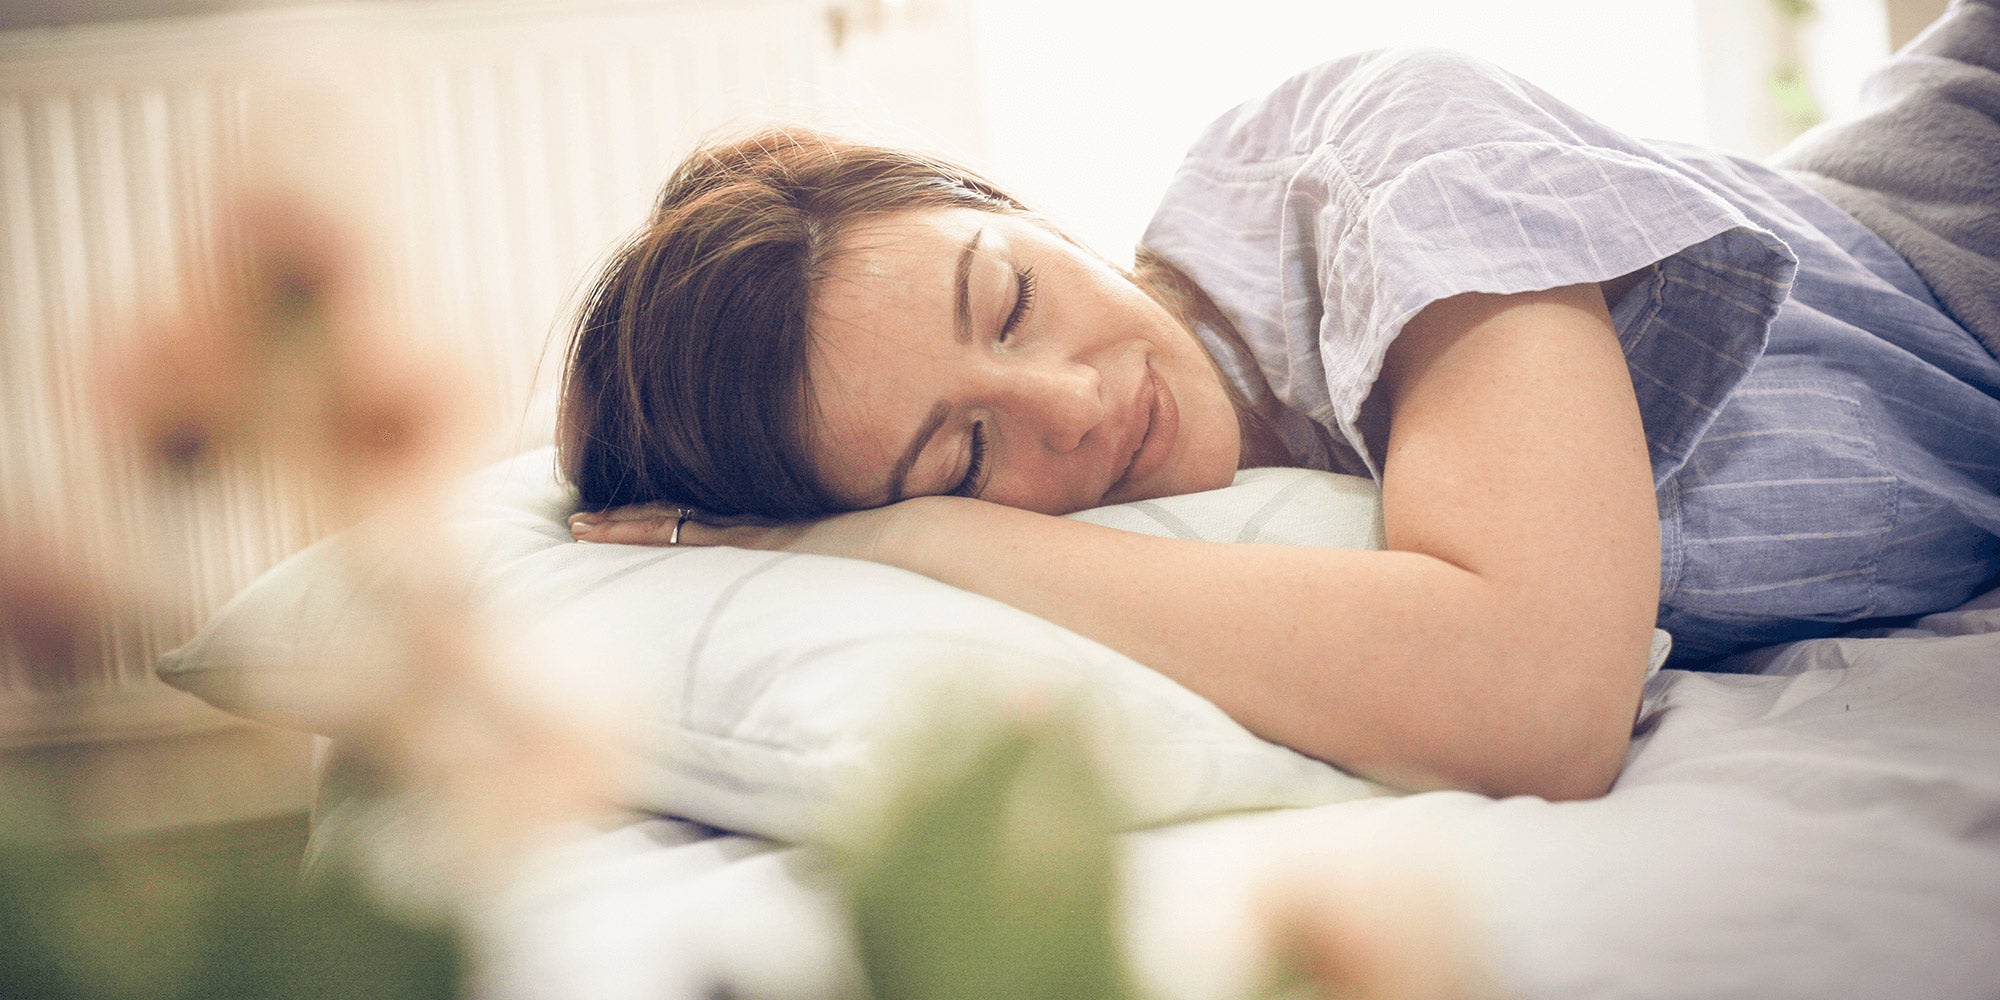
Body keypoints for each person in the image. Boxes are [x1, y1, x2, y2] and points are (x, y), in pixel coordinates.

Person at [563, 2, 2000, 801]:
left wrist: (928, 532)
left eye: (1010, 298)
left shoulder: (1384, 154)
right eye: (967, 454)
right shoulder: (1243, 518)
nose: (1074, 398)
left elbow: (1540, 700)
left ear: (1010, 206)